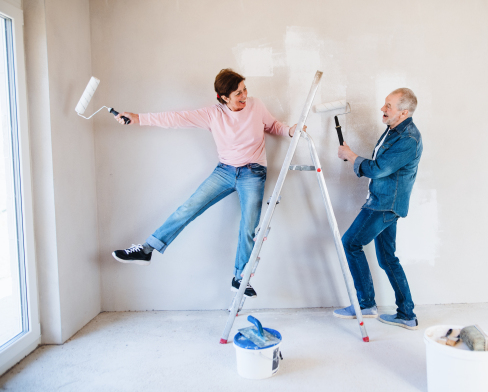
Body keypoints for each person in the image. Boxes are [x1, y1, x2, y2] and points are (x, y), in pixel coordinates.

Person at [111, 68, 304, 298]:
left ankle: (240, 277)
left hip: (253, 173)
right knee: (188, 208)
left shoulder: (256, 105)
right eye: (238, 94)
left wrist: (290, 130)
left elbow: (272, 126)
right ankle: (146, 250)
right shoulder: (214, 114)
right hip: (224, 172)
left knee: (249, 226)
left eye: (245, 90)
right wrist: (138, 118)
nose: (244, 96)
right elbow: (176, 119)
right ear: (223, 98)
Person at [335, 88, 423, 330]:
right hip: (384, 201)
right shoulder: (394, 130)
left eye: (389, 106)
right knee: (387, 258)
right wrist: (353, 158)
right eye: (385, 104)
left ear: (403, 112)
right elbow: (378, 164)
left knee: (350, 243)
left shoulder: (408, 139)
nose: (383, 109)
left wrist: (351, 156)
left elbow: (377, 169)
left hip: (384, 205)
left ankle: (366, 305)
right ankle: (407, 314)